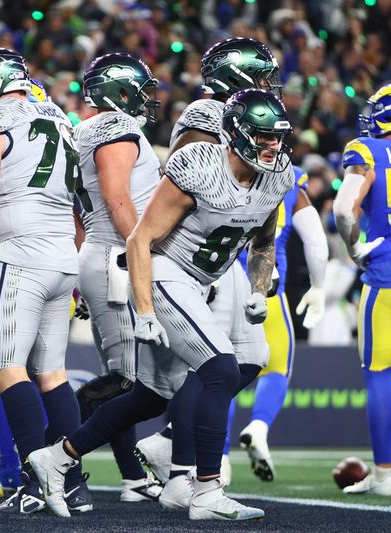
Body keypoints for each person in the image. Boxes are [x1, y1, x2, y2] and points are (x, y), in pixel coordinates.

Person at [28, 89, 295, 521]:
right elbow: (140, 239)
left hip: (207, 277)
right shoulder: (199, 167)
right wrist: (147, 311)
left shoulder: (278, 174)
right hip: (165, 271)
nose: (272, 146)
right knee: (220, 369)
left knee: (155, 395)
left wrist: (259, 291)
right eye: (262, 137)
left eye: (276, 137)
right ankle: (205, 491)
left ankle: (58, 458)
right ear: (236, 134)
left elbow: (264, 240)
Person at [134, 36, 286, 494]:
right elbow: (193, 187)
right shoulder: (207, 115)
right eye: (260, 75)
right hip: (189, 254)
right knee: (212, 365)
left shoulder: (253, 119)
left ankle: (168, 441)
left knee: (252, 357)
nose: (269, 85)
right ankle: (185, 470)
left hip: (225, 253)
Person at [0, 47, 89, 515]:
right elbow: (78, 205)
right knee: (52, 373)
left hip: (18, 254)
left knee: (6, 367)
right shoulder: (59, 117)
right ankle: (74, 484)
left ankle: (39, 477)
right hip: (62, 255)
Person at [71, 52, 163, 503]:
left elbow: (79, 210)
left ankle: (133, 477)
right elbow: (117, 200)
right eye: (139, 90)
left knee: (127, 377)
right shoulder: (113, 128)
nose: (146, 99)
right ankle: (54, 448)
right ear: (118, 91)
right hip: (118, 258)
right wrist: (144, 251)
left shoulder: (88, 129)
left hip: (105, 254)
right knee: (127, 380)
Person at [229, 165, 327, 482]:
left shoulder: (222, 164)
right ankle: (259, 426)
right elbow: (315, 240)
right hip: (269, 289)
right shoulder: (291, 177)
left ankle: (216, 461)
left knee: (218, 376)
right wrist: (319, 286)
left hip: (224, 287)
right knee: (277, 368)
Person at [332, 83, 391, 496]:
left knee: (381, 375)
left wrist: (355, 249)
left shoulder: (370, 149)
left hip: (386, 277)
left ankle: (387, 473)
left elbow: (341, 206)